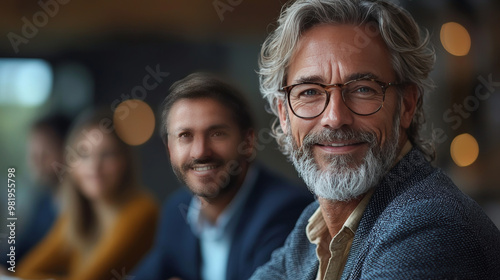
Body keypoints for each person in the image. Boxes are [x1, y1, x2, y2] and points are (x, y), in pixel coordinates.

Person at [250, 0, 500, 279]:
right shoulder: (312, 229)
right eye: (309, 92)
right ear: (283, 113)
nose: (334, 117)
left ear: (407, 106)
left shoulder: (431, 226)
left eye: (362, 89)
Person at [132, 73, 313, 280]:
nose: (200, 152)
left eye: (217, 133)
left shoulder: (287, 212)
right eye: (185, 136)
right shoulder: (177, 211)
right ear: (170, 149)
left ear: (248, 142)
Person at [13, 109, 159, 280]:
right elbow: (24, 270)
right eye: (83, 154)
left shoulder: (142, 210)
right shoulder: (74, 215)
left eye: (107, 154)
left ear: (124, 161)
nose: (94, 167)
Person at [0, 114, 70, 265]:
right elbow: (18, 251)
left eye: (45, 153)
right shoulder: (43, 202)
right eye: (32, 153)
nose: (36, 161)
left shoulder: (76, 209)